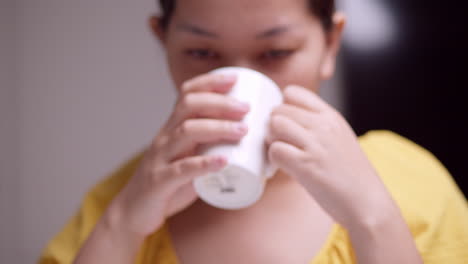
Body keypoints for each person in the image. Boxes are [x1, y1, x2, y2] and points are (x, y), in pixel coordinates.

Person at [39, 0, 468, 263]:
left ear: (330, 44)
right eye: (201, 52)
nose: (237, 83)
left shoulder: (408, 180)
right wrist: (122, 224)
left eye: (276, 52)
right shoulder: (122, 200)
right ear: (163, 42)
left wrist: (372, 217)